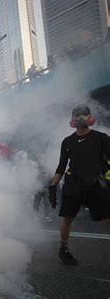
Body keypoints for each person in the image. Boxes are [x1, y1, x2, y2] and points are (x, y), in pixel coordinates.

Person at [48, 105, 110, 265]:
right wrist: (53, 187)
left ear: (90, 117)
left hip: (96, 184)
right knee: (67, 218)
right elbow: (61, 166)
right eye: (77, 115)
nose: (81, 117)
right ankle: (64, 249)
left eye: (85, 114)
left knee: (108, 217)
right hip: (73, 185)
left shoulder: (101, 138)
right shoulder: (67, 141)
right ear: (72, 119)